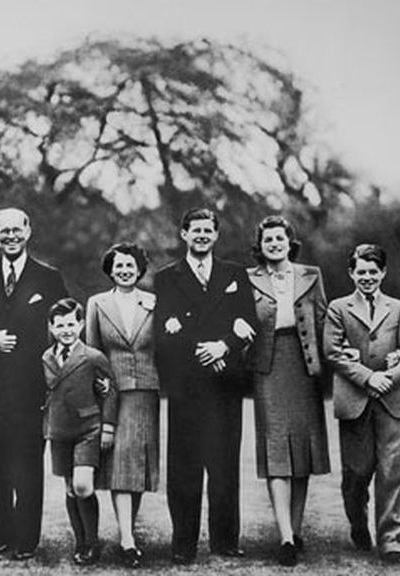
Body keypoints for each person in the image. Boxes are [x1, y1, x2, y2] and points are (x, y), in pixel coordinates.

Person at [0, 207, 69, 560]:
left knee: (28, 464)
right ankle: (4, 535)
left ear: (28, 231)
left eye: (16, 230)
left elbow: (65, 323)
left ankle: (26, 539)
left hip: (31, 387)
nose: (10, 236)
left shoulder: (48, 277)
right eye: (3, 231)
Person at [153, 207, 257, 565]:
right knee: (184, 465)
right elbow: (164, 330)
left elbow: (248, 321)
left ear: (216, 235)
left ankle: (225, 540)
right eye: (195, 230)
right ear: (184, 234)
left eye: (207, 230)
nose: (201, 235)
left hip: (225, 382)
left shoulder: (235, 274)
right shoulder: (167, 277)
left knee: (225, 462)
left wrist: (223, 346)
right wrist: (202, 350)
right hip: (187, 384)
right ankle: (183, 543)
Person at [322, 244, 400, 565]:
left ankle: (392, 540)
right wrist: (368, 377)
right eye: (361, 271)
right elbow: (332, 352)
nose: (367, 277)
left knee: (394, 470)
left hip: (392, 398)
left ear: (383, 272)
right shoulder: (338, 307)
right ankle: (358, 521)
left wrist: (390, 375)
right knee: (357, 471)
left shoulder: (398, 308)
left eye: (373, 272)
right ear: (351, 273)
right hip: (355, 399)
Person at [245, 214, 330, 566]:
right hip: (268, 366)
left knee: (303, 450)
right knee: (277, 448)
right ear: (260, 246)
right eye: (268, 240)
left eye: (280, 238)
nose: (274, 244)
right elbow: (238, 320)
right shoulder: (248, 278)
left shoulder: (311, 274)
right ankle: (284, 537)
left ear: (289, 242)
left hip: (305, 365)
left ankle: (295, 529)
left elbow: (324, 319)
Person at [86, 242, 159, 568]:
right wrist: (98, 387)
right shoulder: (97, 303)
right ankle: (128, 539)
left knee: (137, 463)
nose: (125, 270)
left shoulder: (154, 302)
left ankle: (128, 531)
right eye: (119, 266)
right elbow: (92, 350)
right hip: (113, 391)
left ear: (140, 269)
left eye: (130, 265)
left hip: (146, 391)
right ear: (110, 270)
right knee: (120, 463)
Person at [42, 298, 119, 565]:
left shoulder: (93, 357)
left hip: (88, 428)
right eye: (60, 325)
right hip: (59, 430)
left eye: (71, 324)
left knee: (83, 486)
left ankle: (93, 541)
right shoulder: (46, 357)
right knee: (70, 488)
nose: (66, 330)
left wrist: (108, 427)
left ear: (81, 325)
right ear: (51, 327)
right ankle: (81, 541)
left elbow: (110, 391)